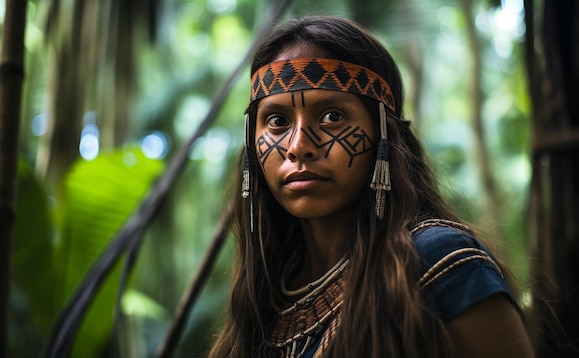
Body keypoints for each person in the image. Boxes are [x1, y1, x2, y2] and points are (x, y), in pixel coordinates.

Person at [208, 15, 534, 358]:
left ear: (383, 133)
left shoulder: (440, 262)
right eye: (277, 122)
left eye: (332, 116)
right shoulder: (265, 296)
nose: (298, 145)